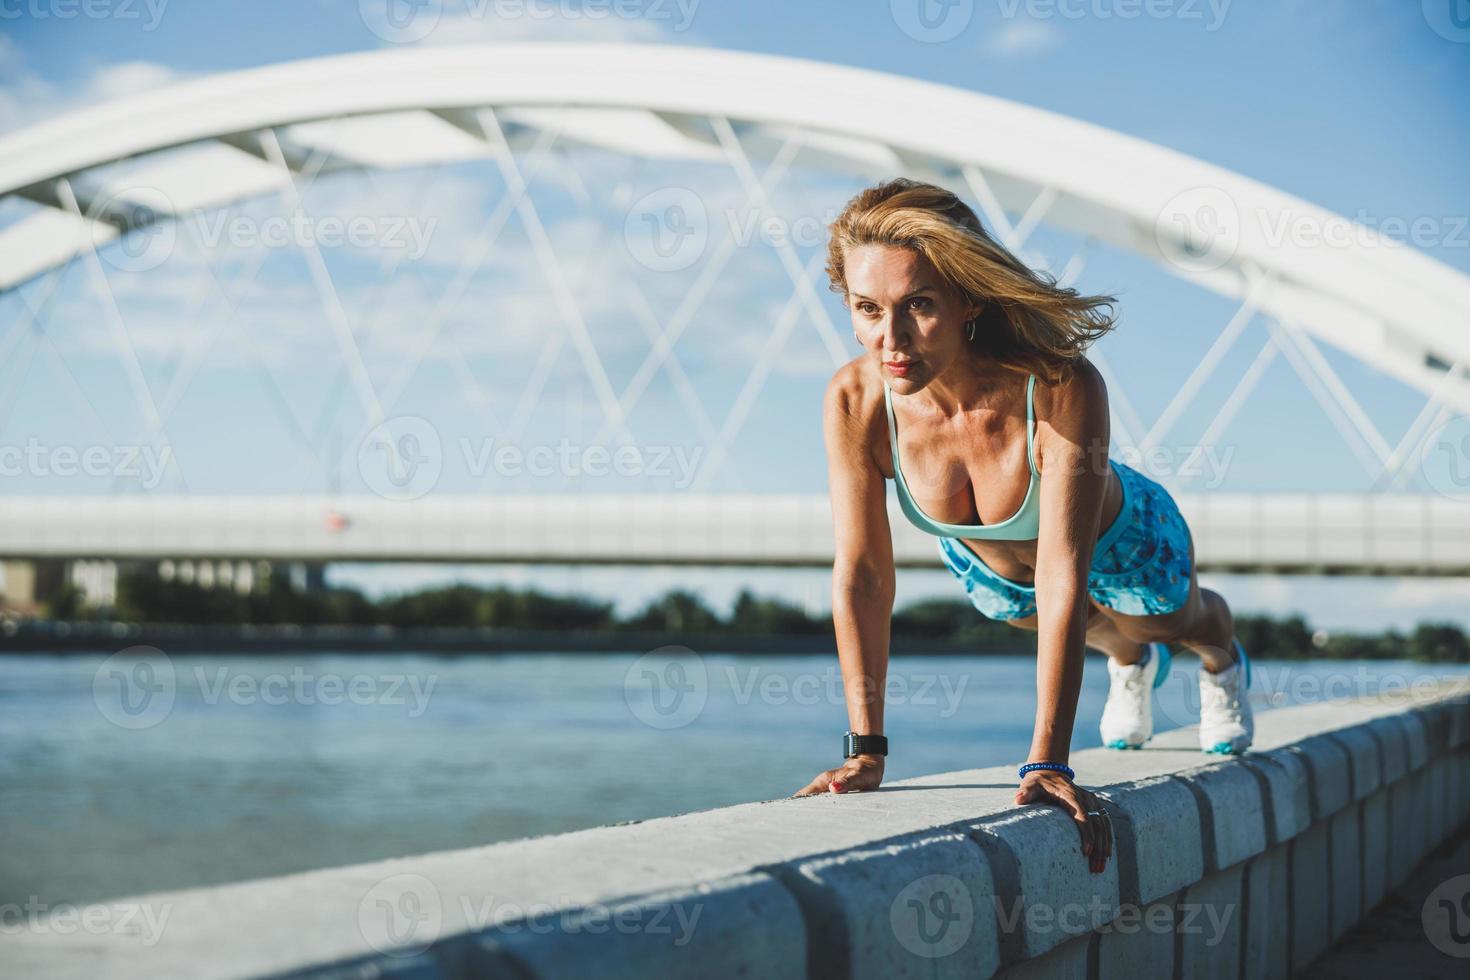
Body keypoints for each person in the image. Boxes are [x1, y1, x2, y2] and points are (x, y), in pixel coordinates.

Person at [792, 177, 1254, 876]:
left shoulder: (1059, 383)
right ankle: (1127, 663)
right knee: (1052, 622)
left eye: (919, 305)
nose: (892, 339)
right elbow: (862, 573)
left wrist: (1047, 760)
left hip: (1118, 540)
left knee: (1166, 620)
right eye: (867, 309)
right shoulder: (855, 399)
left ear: (968, 299)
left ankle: (1219, 656)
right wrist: (866, 749)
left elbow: (1064, 567)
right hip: (999, 575)